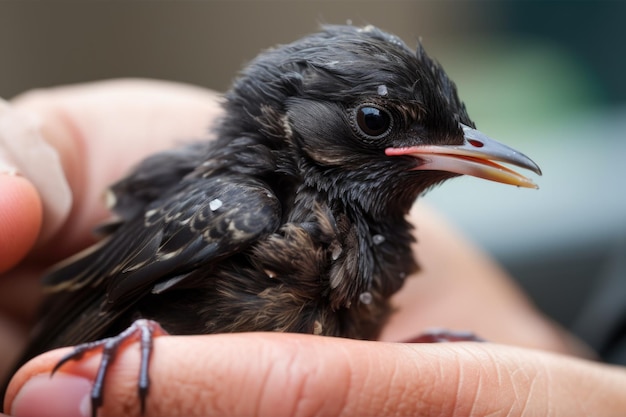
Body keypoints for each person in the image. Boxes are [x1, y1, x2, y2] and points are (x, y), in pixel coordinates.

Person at [0, 79, 624, 417]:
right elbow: (79, 321)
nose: (474, 150)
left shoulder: (383, 248)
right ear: (291, 122)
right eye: (377, 121)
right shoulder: (241, 205)